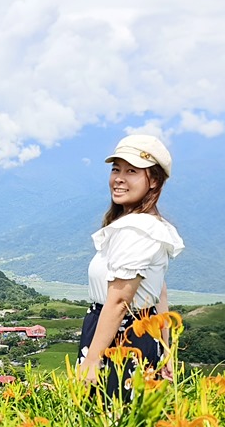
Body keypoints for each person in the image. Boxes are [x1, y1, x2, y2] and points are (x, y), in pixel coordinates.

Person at [76, 134, 184, 404]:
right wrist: (165, 347)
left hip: (122, 339)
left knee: (110, 424)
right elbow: (159, 291)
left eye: (132, 171)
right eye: (116, 169)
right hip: (124, 332)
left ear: (154, 180)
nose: (119, 178)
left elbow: (120, 300)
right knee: (124, 424)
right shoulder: (139, 225)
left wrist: (93, 358)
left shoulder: (138, 230)